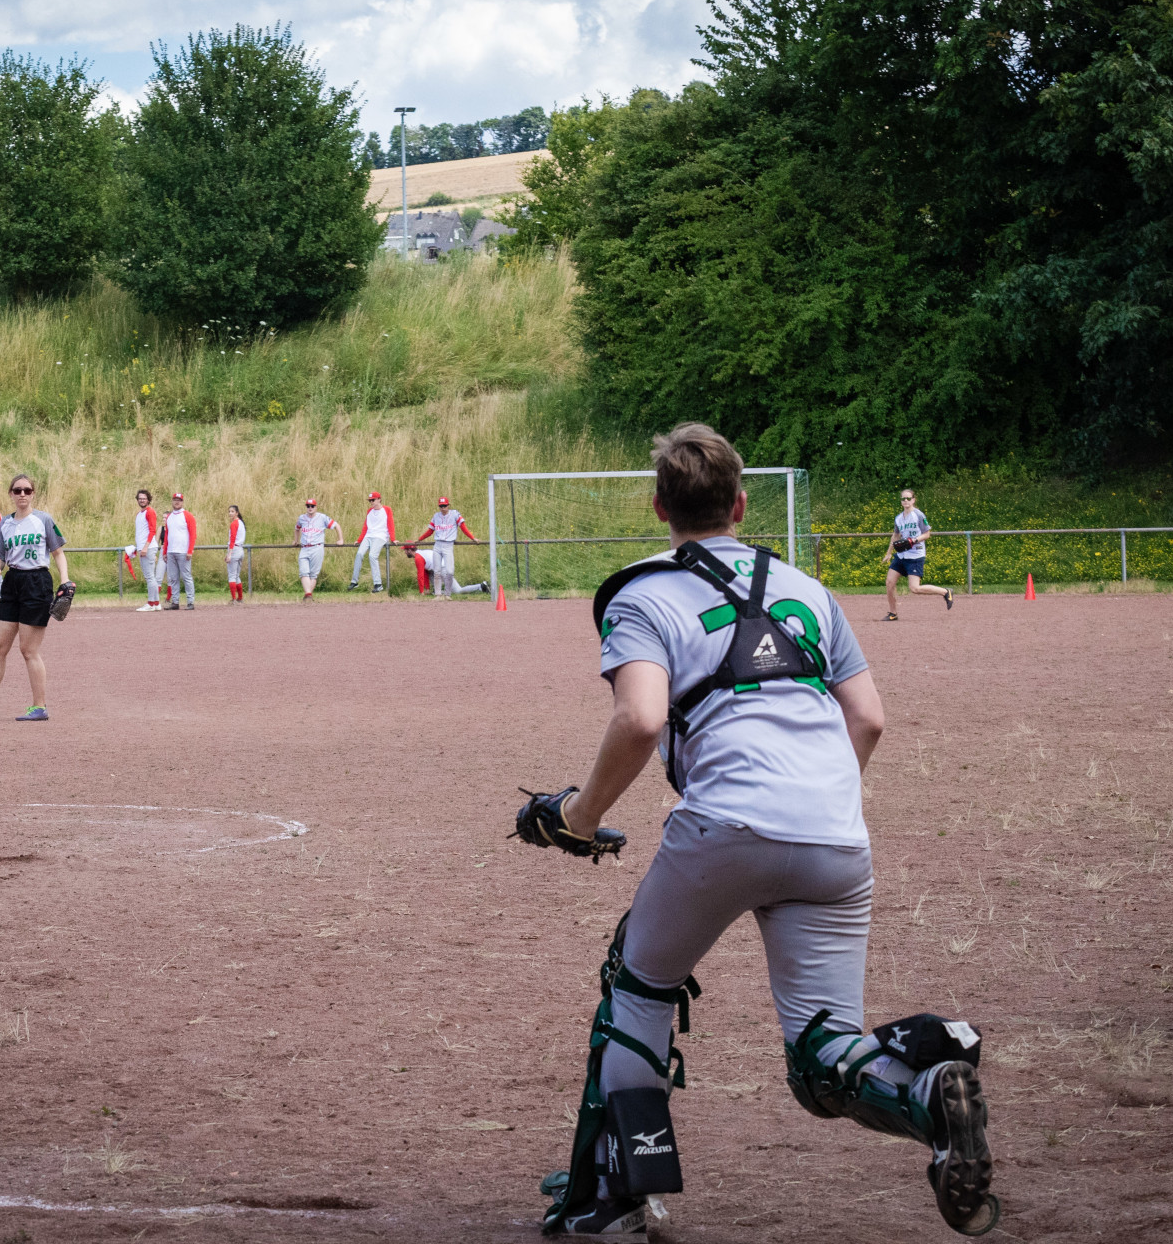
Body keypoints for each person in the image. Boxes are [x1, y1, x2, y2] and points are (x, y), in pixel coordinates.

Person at [521, 423, 996, 1237]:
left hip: (723, 823)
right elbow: (870, 721)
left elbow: (639, 721)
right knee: (822, 1053)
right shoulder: (809, 590)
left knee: (638, 990)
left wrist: (580, 818)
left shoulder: (643, 594)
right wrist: (812, 805)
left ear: (659, 506)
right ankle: (925, 1096)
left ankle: (615, 1202)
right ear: (742, 504)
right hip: (837, 834)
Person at [0, 473, 72, 723]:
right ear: (11, 494)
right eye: (17, 490)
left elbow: (58, 552)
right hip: (13, 582)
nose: (22, 494)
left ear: (33, 493)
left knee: (28, 650)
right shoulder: (5, 524)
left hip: (37, 582)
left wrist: (65, 580)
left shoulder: (43, 520)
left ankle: (39, 707)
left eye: (27, 490)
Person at [880, 489, 952, 620]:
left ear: (913, 500)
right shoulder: (899, 518)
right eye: (903, 499)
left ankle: (945, 592)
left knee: (915, 588)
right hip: (901, 555)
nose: (906, 501)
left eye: (908, 498)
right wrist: (889, 553)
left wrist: (914, 540)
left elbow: (927, 534)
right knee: (889, 582)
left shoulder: (918, 515)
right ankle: (893, 613)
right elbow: (895, 535)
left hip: (915, 556)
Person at [411, 497, 488, 598]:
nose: (443, 508)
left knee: (450, 571)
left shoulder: (455, 514)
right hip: (438, 544)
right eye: (441, 506)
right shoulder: (436, 516)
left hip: (448, 544)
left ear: (448, 505)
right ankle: (438, 595)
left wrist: (472, 538)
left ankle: (448, 594)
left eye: (445, 506)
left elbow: (463, 527)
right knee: (437, 572)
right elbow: (430, 531)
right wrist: (420, 539)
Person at [295, 498, 341, 600]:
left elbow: (336, 525)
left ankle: (308, 596)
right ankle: (308, 594)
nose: (310, 508)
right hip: (304, 547)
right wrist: (296, 540)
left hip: (317, 547)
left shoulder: (322, 517)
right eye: (308, 506)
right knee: (303, 572)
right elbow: (297, 528)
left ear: (316, 507)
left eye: (312, 506)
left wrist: (340, 539)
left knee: (313, 574)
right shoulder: (302, 518)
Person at [351, 491, 396, 591]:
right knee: (359, 554)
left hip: (380, 536)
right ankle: (354, 581)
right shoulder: (369, 511)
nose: (371, 502)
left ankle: (378, 584)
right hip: (369, 536)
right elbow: (365, 526)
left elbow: (390, 524)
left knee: (372, 555)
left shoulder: (387, 509)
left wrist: (393, 538)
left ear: (379, 499)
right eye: (370, 500)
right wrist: (359, 539)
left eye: (373, 500)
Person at [162, 492, 198, 610]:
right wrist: (165, 551)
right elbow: (167, 535)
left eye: (179, 500)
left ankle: (190, 602)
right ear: (172, 501)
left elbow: (193, 534)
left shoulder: (187, 515)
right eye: (175, 500)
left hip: (183, 551)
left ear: (182, 502)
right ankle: (175, 601)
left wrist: (190, 550)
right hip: (171, 551)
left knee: (186, 576)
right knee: (173, 578)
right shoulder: (169, 517)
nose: (177, 502)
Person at [132, 489, 163, 611]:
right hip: (143, 547)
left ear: (148, 499)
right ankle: (156, 603)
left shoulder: (150, 512)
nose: (142, 500)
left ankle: (151, 603)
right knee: (150, 576)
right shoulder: (139, 514)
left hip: (148, 547)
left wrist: (145, 547)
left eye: (144, 498)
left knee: (149, 576)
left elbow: (152, 531)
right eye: (140, 498)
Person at [226, 505, 248, 603]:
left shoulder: (234, 523)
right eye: (229, 511)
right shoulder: (241, 523)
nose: (230, 513)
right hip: (240, 549)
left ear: (237, 513)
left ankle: (234, 599)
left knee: (232, 575)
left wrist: (229, 554)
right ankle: (240, 598)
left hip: (234, 549)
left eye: (232, 511)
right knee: (237, 575)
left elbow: (232, 539)